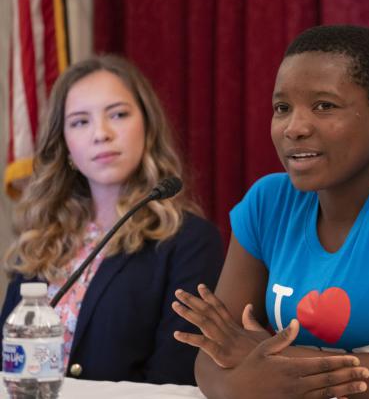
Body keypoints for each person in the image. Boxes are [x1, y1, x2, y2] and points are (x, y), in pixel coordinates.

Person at [172, 24, 369, 399]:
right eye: (282, 108)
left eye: (324, 106)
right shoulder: (267, 202)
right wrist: (246, 378)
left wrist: (277, 359)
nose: (295, 127)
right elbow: (212, 359)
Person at [0, 55, 223, 385]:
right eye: (80, 122)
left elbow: (175, 378)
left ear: (147, 127)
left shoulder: (190, 242)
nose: (101, 134)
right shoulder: (40, 242)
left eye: (118, 114)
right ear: (65, 146)